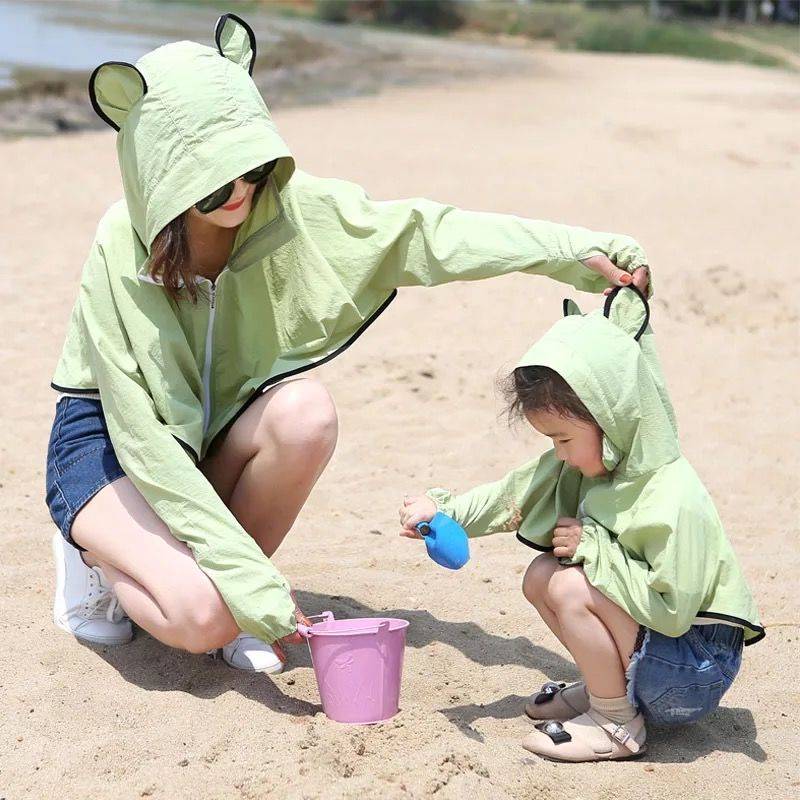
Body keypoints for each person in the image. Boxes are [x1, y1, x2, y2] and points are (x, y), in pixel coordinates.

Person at [46, 13, 649, 675]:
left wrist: (574, 254)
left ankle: (215, 586)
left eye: (250, 165)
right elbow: (144, 439)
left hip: (207, 434)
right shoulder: (120, 242)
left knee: (307, 416)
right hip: (112, 446)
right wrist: (247, 583)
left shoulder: (287, 208)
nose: (240, 191)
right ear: (157, 167)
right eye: (213, 180)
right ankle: (94, 554)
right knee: (200, 616)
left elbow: (424, 234)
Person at [399, 286, 763, 761]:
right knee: (542, 576)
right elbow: (514, 494)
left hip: (693, 671)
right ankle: (605, 690)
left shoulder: (672, 494)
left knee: (571, 587)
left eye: (564, 438)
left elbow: (672, 612)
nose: (559, 453)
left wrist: (593, 547)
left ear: (612, 419)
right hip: (659, 653)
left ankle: (616, 724)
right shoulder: (588, 460)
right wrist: (442, 511)